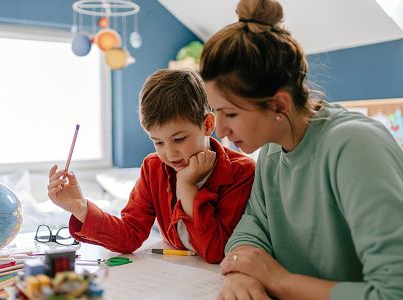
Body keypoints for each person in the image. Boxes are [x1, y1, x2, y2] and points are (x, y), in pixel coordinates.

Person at [200, 0, 403, 298]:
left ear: (279, 104)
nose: (221, 130)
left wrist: (279, 280)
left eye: (230, 114)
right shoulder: (272, 149)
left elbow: (393, 292)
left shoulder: (355, 147)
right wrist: (239, 273)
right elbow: (252, 226)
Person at [47, 69, 255, 263]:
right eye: (158, 142)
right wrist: (80, 207)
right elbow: (130, 235)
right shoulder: (153, 167)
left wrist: (186, 187)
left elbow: (215, 251)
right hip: (173, 274)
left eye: (179, 139)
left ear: (208, 124)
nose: (170, 153)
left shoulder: (242, 172)